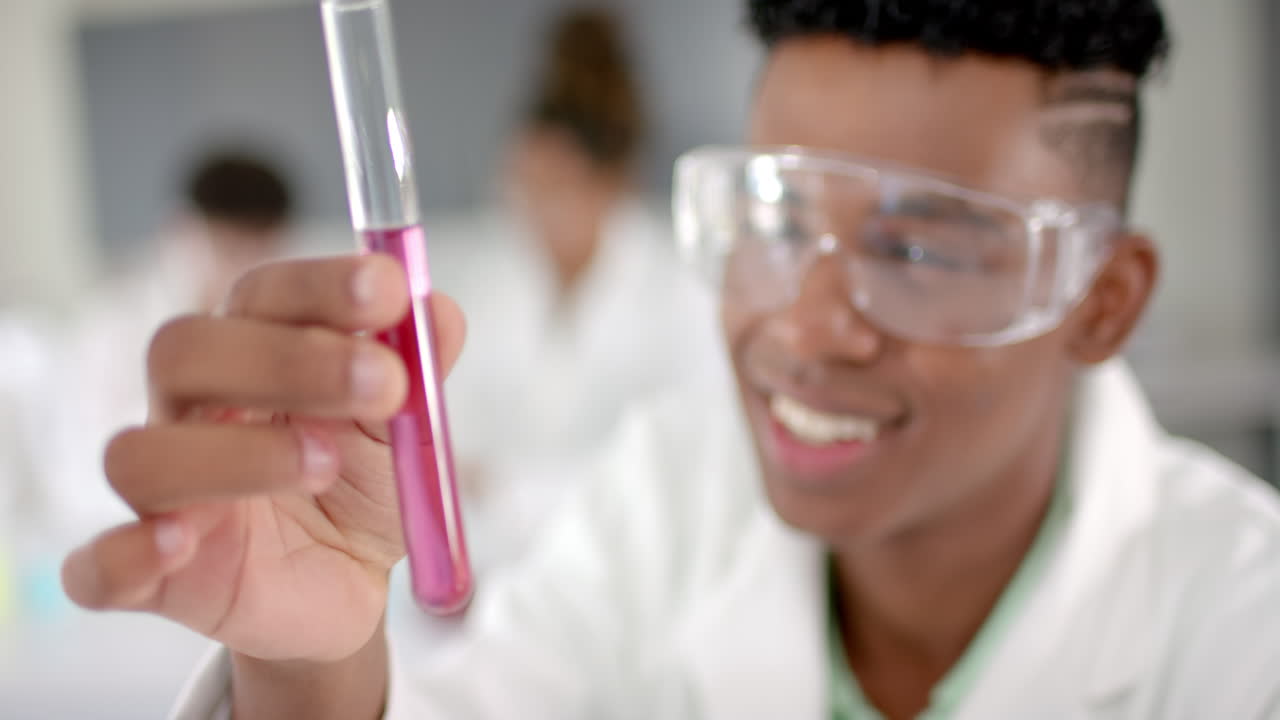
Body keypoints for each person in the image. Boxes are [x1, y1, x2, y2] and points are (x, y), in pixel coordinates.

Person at [63, 2, 1280, 719]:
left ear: (1098, 301)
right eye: (777, 219)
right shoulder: (663, 505)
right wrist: (312, 666)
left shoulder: (1244, 629)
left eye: (920, 246)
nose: (804, 326)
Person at [436, 6, 721, 568]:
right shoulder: (490, 280)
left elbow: (680, 457)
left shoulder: (679, 289)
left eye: (555, 188)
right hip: (498, 562)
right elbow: (453, 432)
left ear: (606, 187)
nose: (535, 210)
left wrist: (511, 487)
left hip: (632, 559)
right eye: (523, 186)